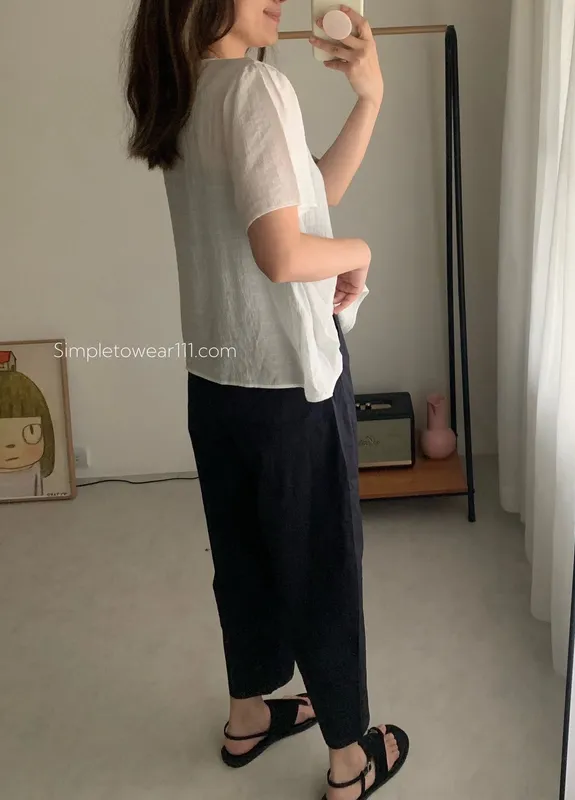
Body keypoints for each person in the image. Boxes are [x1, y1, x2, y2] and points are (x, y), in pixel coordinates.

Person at [124, 1, 409, 797]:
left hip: (218, 379)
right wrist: (360, 249)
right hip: (288, 381)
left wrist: (369, 98)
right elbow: (284, 253)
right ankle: (350, 763)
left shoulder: (187, 89)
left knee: (243, 558)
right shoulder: (254, 88)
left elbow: (307, 197)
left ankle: (247, 716)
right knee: (321, 567)